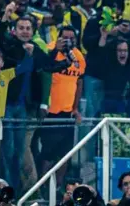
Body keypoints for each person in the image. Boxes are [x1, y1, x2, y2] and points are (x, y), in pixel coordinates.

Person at [40, 25, 86, 187]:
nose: (69, 40)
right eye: (65, 37)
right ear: (58, 38)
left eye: (72, 37)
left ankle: (59, 187)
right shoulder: (50, 50)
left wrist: (75, 108)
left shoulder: (79, 56)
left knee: (65, 154)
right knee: (47, 153)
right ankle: (43, 186)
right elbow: (42, 74)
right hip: (49, 111)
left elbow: (79, 83)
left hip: (67, 113)